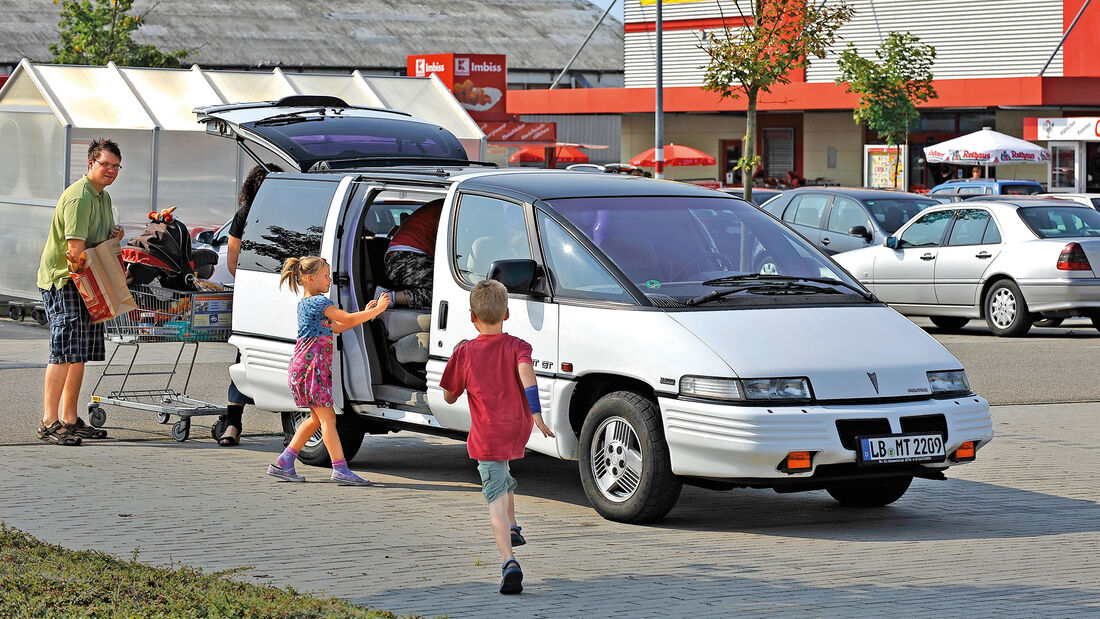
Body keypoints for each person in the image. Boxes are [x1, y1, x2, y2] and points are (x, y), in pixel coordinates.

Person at [440, 279, 555, 594]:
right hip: (517, 427)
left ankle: (509, 561)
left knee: (494, 498)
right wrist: (537, 416)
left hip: (488, 434)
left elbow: (450, 397)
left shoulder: (464, 352)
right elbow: (527, 376)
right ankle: (514, 526)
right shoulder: (519, 345)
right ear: (506, 313)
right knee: (504, 476)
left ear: (472, 317)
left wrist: (458, 368)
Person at [266, 256, 390, 485]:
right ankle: (340, 469)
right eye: (325, 276)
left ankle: (284, 462)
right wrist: (377, 310)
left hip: (306, 368)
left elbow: (341, 326)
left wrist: (365, 312)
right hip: (311, 370)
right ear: (310, 278)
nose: (329, 280)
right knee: (328, 418)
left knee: (316, 418)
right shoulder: (318, 303)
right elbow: (345, 318)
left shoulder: (307, 304)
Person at [36, 138, 125, 446]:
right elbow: (75, 253)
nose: (111, 171)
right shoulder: (80, 197)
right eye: (105, 164)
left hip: (86, 282)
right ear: (91, 164)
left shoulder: (103, 196)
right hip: (66, 280)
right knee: (62, 352)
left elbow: (99, 239)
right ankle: (49, 421)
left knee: (79, 354)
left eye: (116, 166)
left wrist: (115, 237)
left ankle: (70, 419)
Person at [219, 163, 282, 446]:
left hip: (283, 294)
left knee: (286, 359)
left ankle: (290, 428)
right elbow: (234, 262)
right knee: (245, 356)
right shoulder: (246, 215)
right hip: (256, 296)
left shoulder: (287, 214)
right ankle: (233, 425)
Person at [383, 198, 443, 308]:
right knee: (443, 295)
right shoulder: (452, 209)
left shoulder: (444, 206)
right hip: (407, 255)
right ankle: (387, 298)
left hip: (400, 255)